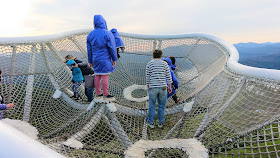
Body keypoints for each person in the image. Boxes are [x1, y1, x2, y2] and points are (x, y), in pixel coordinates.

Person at [87, 15, 118, 99]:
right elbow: (112, 47)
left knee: (97, 75)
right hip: (105, 59)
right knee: (105, 76)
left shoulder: (90, 34)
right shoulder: (107, 33)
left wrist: (90, 61)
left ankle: (98, 93)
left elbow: (89, 49)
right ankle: (106, 93)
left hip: (95, 59)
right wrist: (114, 59)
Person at [146, 50, 172, 128]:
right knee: (162, 106)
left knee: (152, 105)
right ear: (161, 56)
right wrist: (169, 87)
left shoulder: (149, 64)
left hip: (153, 87)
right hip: (163, 87)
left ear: (153, 55)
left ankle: (151, 122)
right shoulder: (164, 64)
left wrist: (148, 87)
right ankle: (160, 123)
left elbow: (147, 77)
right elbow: (168, 76)